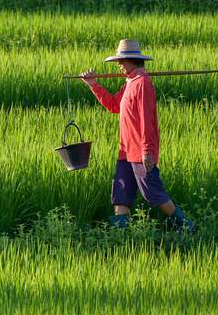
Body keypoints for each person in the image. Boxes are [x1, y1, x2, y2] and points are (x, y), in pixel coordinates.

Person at [79, 39, 194, 232]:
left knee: (153, 193)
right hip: (125, 151)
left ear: (133, 60)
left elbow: (146, 119)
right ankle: (120, 236)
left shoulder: (143, 84)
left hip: (140, 152)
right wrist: (93, 85)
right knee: (121, 193)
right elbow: (114, 106)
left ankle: (186, 226)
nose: (119, 65)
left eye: (122, 61)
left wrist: (148, 151)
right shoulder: (129, 83)